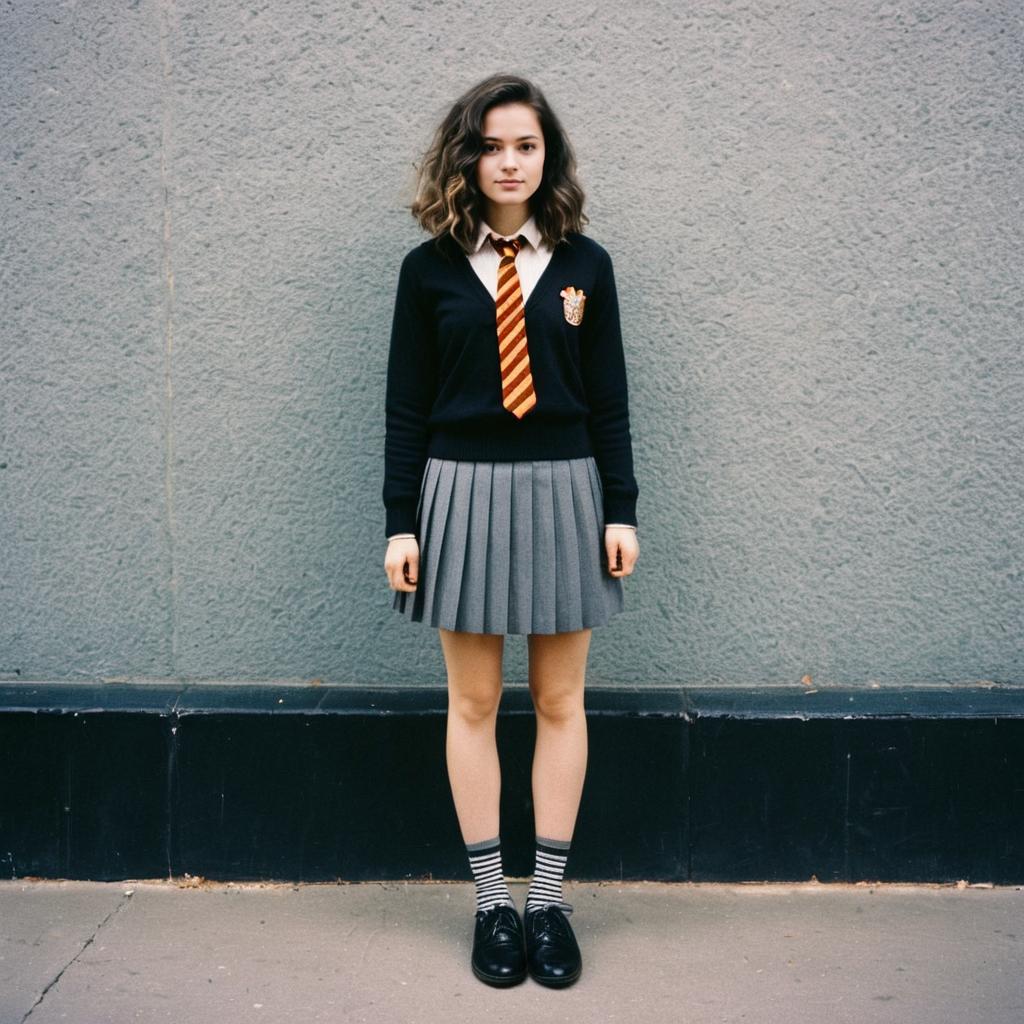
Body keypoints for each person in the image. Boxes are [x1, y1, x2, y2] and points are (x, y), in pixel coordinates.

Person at [381, 72, 639, 989]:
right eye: (490, 145)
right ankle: (493, 901)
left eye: (524, 145)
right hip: (461, 492)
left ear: (548, 156)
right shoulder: (428, 271)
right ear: (466, 157)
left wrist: (621, 508)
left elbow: (608, 400)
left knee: (562, 702)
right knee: (476, 704)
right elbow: (406, 407)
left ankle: (550, 902)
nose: (508, 162)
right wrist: (400, 523)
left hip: (566, 492)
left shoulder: (585, 265)